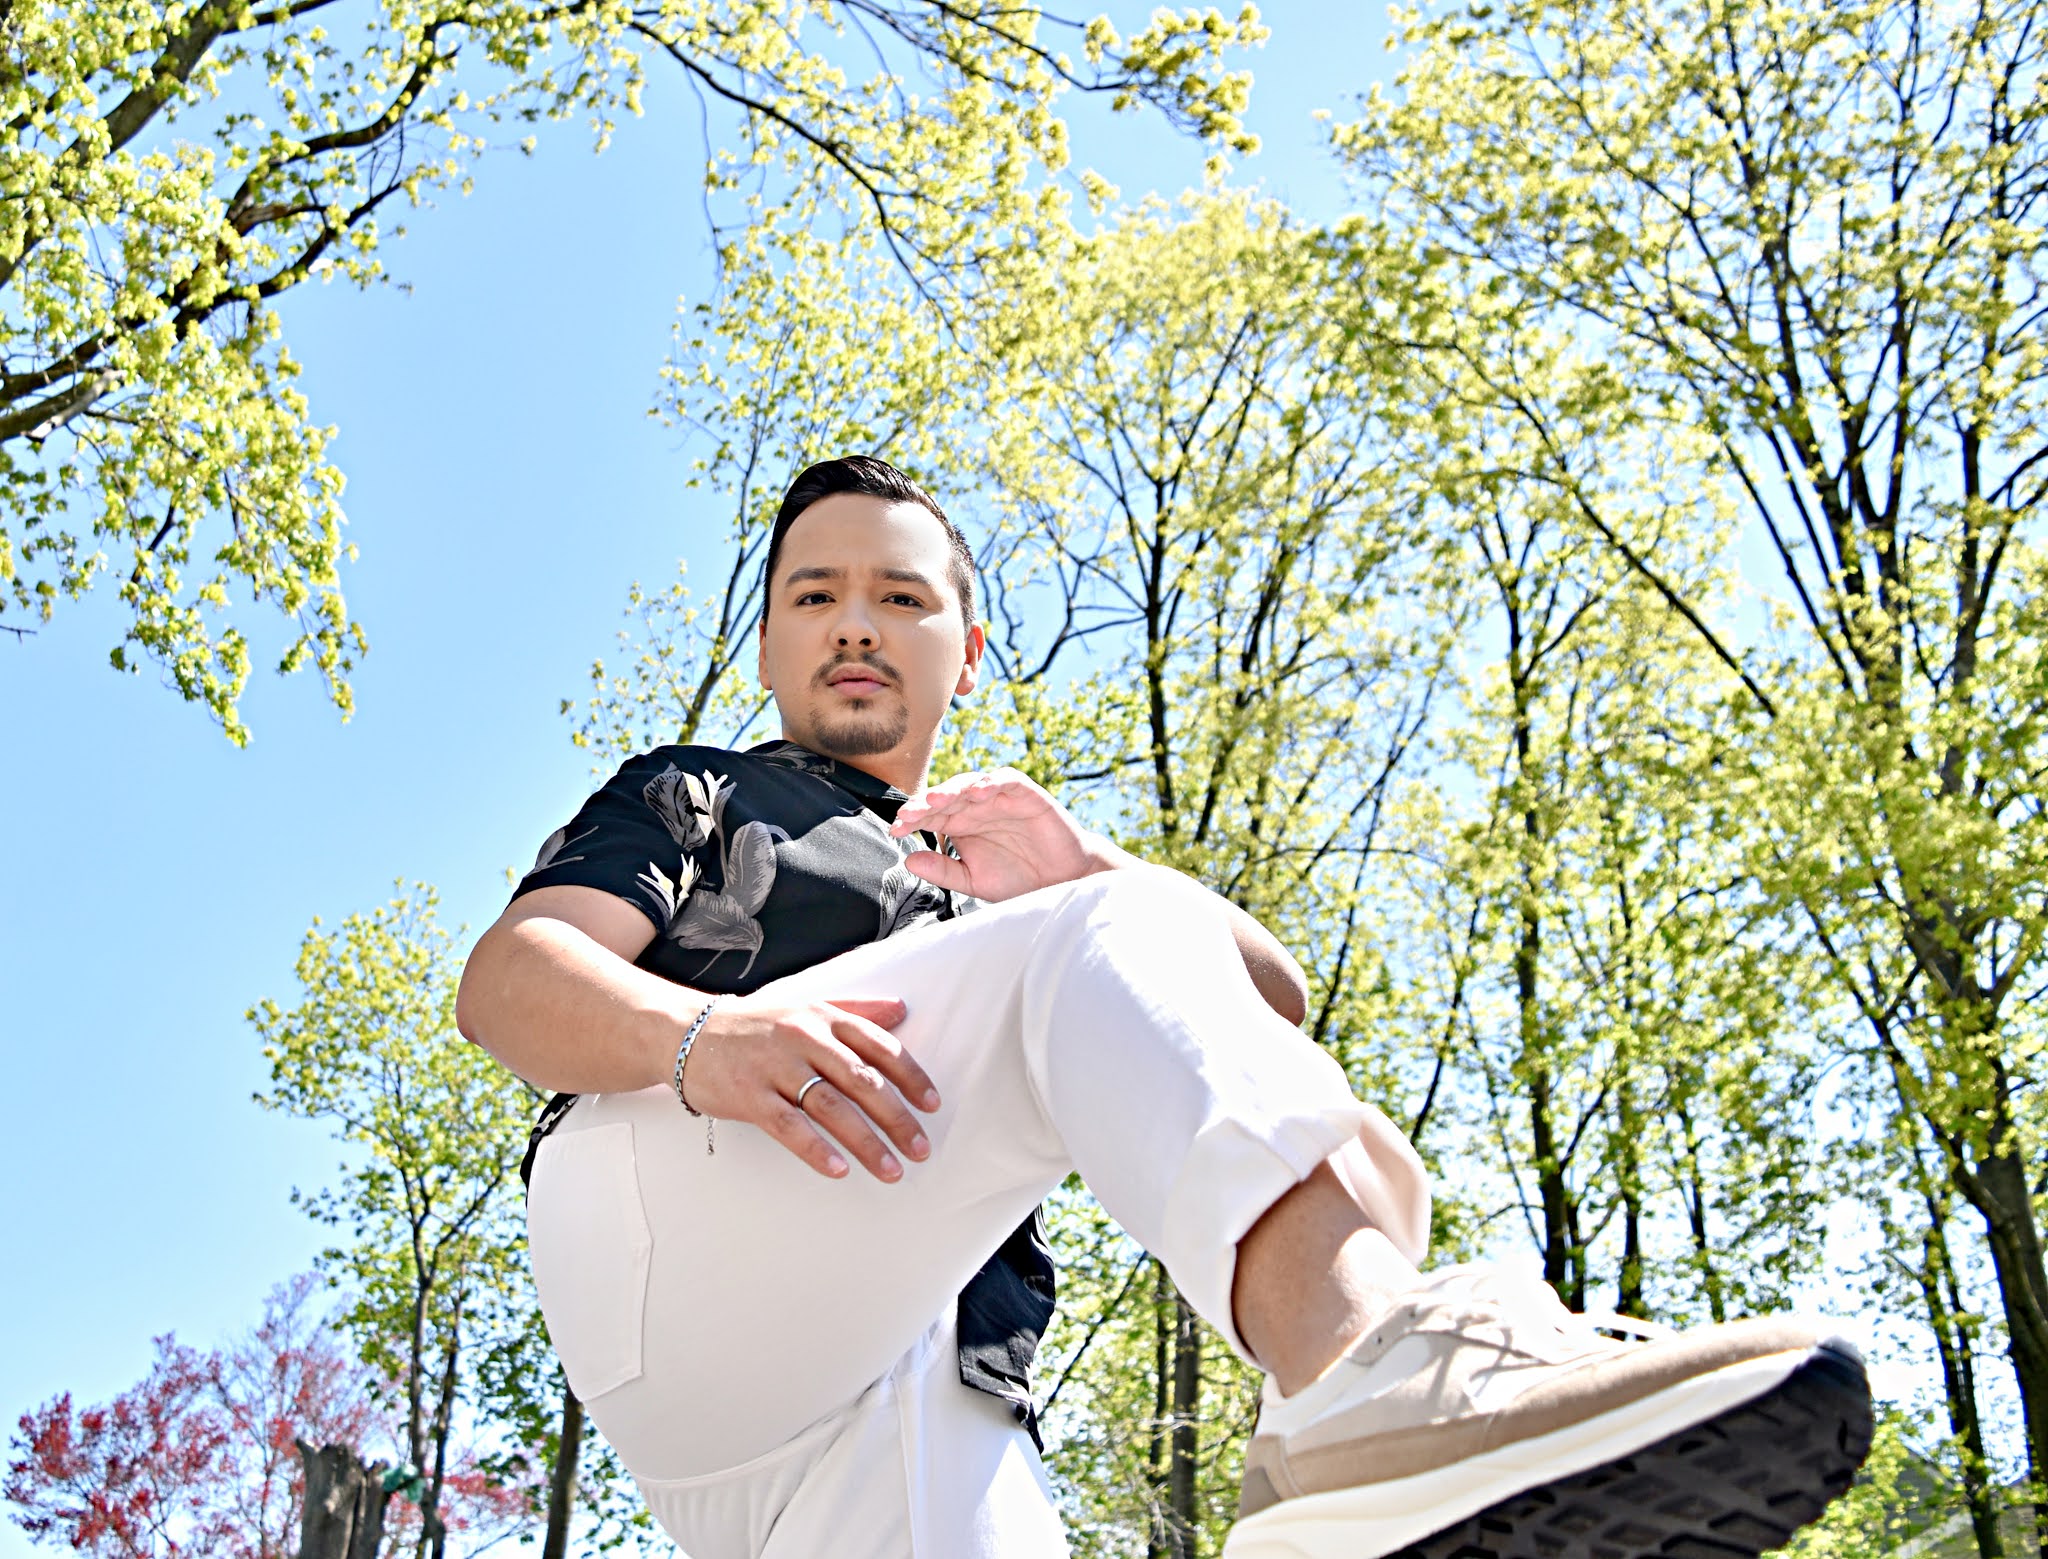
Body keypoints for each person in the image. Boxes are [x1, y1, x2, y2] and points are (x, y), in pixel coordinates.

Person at [456, 455, 1871, 1559]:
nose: (857, 626)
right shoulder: (700, 790)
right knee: (1106, 960)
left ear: (968, 650)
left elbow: (1268, 999)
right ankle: (1364, 1377)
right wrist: (706, 1038)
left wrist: (1091, 871)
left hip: (926, 1361)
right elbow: (511, 980)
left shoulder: (1011, 895)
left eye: (902, 598)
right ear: (769, 645)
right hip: (676, 1216)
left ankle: (1358, 1465)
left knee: (1337, 1142)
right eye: (814, 598)